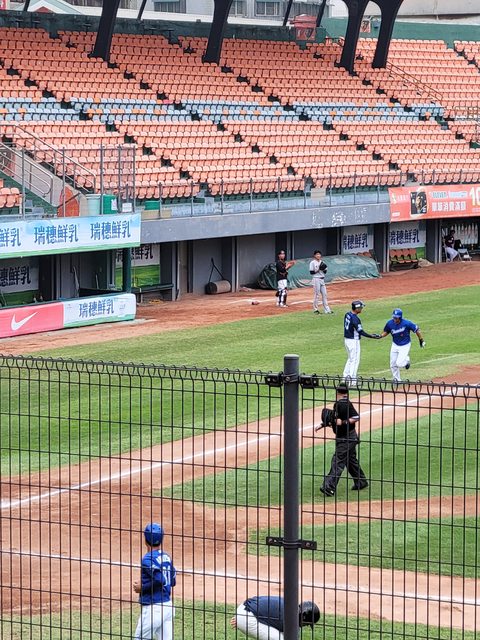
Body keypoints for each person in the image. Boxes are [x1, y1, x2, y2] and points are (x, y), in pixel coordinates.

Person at [315, 384, 368, 497]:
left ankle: (329, 486)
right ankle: (361, 481)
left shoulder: (344, 404)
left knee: (338, 461)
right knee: (350, 461)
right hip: (348, 437)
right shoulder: (339, 404)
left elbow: (356, 417)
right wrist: (323, 424)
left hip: (346, 438)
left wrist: (344, 422)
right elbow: (335, 419)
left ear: (337, 392)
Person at [134, 523, 176, 640]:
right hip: (168, 606)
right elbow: (172, 581)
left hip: (153, 608)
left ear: (145, 540)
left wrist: (143, 587)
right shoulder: (167, 557)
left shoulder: (148, 559)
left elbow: (160, 580)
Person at [231, 595, 320, 639]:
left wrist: (241, 615)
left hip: (245, 609)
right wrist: (243, 619)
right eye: (307, 624)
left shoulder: (290, 604)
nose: (305, 626)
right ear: (304, 617)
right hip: (248, 617)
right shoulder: (291, 619)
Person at [377, 308, 425, 382]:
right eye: (394, 317)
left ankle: (407, 360)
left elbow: (417, 330)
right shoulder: (390, 323)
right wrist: (380, 336)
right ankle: (397, 379)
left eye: (396, 318)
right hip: (395, 345)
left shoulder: (407, 323)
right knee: (393, 364)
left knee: (399, 363)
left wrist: (421, 340)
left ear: (400, 317)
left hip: (405, 345)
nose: (395, 319)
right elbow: (386, 331)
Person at [343, 300, 380, 385]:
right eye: (360, 307)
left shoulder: (347, 314)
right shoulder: (355, 319)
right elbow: (360, 332)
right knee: (355, 360)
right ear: (357, 308)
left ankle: (345, 378)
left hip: (347, 340)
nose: (361, 309)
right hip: (353, 341)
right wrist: (371, 336)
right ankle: (352, 381)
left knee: (350, 359)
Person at [309, 249, 332, 314]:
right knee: (317, 295)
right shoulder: (312, 262)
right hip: (316, 279)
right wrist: (318, 269)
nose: (318, 255)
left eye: (319, 254)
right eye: (317, 254)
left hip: (322, 279)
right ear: (314, 255)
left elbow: (325, 271)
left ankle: (327, 310)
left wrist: (323, 269)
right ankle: (315, 310)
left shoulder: (322, 262)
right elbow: (311, 272)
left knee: (324, 294)